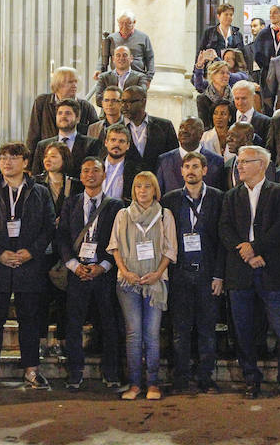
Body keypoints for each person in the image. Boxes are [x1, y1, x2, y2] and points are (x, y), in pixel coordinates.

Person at [219, 146, 280, 401]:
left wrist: (254, 249)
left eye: (245, 162)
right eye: (238, 162)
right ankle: (250, 379)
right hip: (240, 272)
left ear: (261, 165)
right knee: (243, 330)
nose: (239, 166)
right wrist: (245, 251)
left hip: (272, 270)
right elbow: (224, 229)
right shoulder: (231, 196)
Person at [0, 142, 55, 394]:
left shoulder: (40, 192)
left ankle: (31, 370)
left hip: (28, 265)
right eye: (3, 158)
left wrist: (31, 252)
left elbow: (49, 226)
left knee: (29, 320)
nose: (7, 162)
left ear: (26, 163)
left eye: (13, 157)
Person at [57, 157, 124, 391]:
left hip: (103, 273)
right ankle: (75, 372)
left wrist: (103, 266)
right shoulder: (71, 203)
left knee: (109, 324)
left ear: (104, 175)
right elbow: (63, 236)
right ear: (81, 175)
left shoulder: (115, 206)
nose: (90, 174)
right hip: (77, 273)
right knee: (73, 325)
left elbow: (119, 240)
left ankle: (111, 372)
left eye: (96, 170)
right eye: (85, 170)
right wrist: (74, 265)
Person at [110, 171, 177, 401]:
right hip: (128, 282)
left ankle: (153, 383)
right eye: (138, 187)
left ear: (155, 190)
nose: (142, 191)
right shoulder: (122, 215)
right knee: (133, 333)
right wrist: (126, 272)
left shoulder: (164, 215)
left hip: (155, 282)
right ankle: (135, 384)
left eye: (147, 186)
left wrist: (157, 273)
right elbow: (115, 247)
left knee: (151, 334)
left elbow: (170, 249)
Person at [162, 152, 225, 394]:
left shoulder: (218, 198)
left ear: (205, 170)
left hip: (208, 273)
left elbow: (222, 240)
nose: (190, 170)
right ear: (181, 171)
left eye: (195, 166)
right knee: (180, 329)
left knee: (207, 329)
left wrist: (219, 275)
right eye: (186, 166)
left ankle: (205, 377)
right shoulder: (170, 200)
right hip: (180, 273)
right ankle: (181, 377)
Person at [32, 141, 81, 357]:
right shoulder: (35, 184)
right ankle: (41, 340)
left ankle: (62, 341)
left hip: (67, 249)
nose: (48, 159)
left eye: (54, 156)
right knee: (40, 297)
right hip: (42, 248)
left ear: (65, 159)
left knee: (65, 298)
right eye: (46, 156)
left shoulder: (75, 185)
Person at [26, 67, 99, 155]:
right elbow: (33, 133)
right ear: (58, 84)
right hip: (47, 154)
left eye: (75, 81)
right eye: (70, 82)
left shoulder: (85, 106)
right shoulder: (42, 102)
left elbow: (96, 131)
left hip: (76, 157)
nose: (74, 85)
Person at [30, 99, 105, 177]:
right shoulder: (42, 145)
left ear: (77, 118)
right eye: (60, 113)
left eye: (68, 113)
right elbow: (36, 176)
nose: (63, 116)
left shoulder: (91, 144)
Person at [155, 117, 224, 193]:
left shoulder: (217, 161)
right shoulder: (164, 161)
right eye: (181, 127)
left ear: (201, 133)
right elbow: (159, 193)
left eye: (189, 127)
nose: (184, 131)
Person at [120, 85, 179, 173]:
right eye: (122, 101)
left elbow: (173, 159)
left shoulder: (165, 127)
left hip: (157, 183)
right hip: (127, 184)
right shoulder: (115, 130)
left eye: (129, 102)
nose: (124, 106)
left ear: (143, 101)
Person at [100, 11, 155, 83]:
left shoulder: (143, 37)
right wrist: (98, 69)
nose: (124, 27)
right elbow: (103, 56)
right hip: (116, 79)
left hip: (138, 79)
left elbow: (150, 58)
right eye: (121, 23)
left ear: (134, 22)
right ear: (118, 22)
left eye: (128, 23)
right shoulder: (111, 38)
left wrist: (149, 78)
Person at [198, 3, 249, 72]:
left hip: (233, 72)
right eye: (226, 14)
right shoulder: (209, 33)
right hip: (213, 71)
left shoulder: (237, 34)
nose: (229, 17)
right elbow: (200, 53)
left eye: (231, 15)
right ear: (218, 16)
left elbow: (242, 56)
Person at [102, 124, 140, 203]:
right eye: (113, 140)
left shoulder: (134, 171)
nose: (116, 144)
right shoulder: (95, 167)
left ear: (128, 146)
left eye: (121, 141)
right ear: (106, 142)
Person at [193, 60, 234, 127]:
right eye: (222, 73)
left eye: (228, 73)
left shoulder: (234, 97)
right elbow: (205, 124)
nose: (226, 76)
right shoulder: (202, 99)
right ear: (213, 75)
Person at [254, 5, 280, 84]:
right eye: (270, 13)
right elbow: (257, 55)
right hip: (268, 74)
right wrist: (270, 65)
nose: (271, 15)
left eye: (275, 12)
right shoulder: (263, 34)